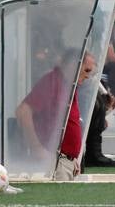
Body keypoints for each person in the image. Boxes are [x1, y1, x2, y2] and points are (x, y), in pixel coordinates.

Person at [17, 51, 94, 181]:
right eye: (87, 70)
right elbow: (23, 111)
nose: (88, 76)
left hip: (65, 162)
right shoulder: (52, 82)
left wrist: (72, 158)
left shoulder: (68, 85)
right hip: (55, 161)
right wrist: (37, 148)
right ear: (73, 66)